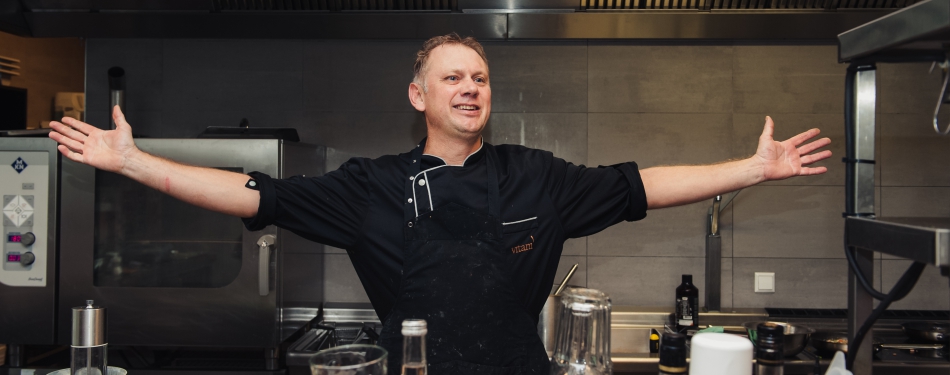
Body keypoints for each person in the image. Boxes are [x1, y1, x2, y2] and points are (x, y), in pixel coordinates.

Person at [49, 34, 831, 374]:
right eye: (453, 77)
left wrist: (751, 170)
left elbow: (645, 185)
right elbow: (257, 193)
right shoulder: (371, 186)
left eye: (480, 78)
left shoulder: (537, 177)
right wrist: (135, 161)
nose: (470, 88)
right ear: (419, 95)